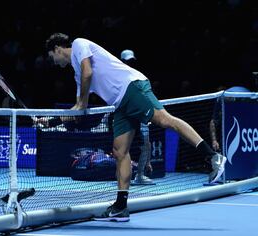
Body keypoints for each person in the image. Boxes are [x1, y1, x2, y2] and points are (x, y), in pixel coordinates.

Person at [44, 33, 227, 222]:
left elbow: (88, 73)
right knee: (119, 151)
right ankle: (121, 206)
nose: (55, 63)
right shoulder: (77, 74)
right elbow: (77, 110)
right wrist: (49, 121)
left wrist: (82, 102)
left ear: (58, 48)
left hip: (131, 87)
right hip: (120, 104)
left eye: (52, 57)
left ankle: (214, 157)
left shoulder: (79, 44)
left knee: (165, 120)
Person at [121, 49, 154, 185]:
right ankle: (123, 176)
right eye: (128, 61)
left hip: (140, 115)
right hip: (126, 115)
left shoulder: (138, 75)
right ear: (122, 61)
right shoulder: (120, 76)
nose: (130, 64)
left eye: (132, 61)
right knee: (123, 147)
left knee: (146, 145)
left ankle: (139, 175)